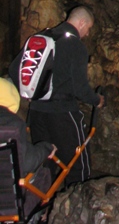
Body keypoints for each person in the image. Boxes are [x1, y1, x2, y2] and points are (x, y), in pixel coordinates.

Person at [9, 6, 104, 185]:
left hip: (36, 112)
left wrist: (28, 93)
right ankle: (78, 205)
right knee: (78, 162)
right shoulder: (75, 45)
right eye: (88, 28)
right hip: (63, 113)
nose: (87, 33)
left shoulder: (41, 37)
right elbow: (80, 88)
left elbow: (15, 69)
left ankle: (42, 208)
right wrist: (96, 100)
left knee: (45, 162)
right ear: (81, 23)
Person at [0, 77, 57, 220]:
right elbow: (26, 162)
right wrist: (46, 148)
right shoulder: (12, 124)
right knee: (42, 173)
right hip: (7, 207)